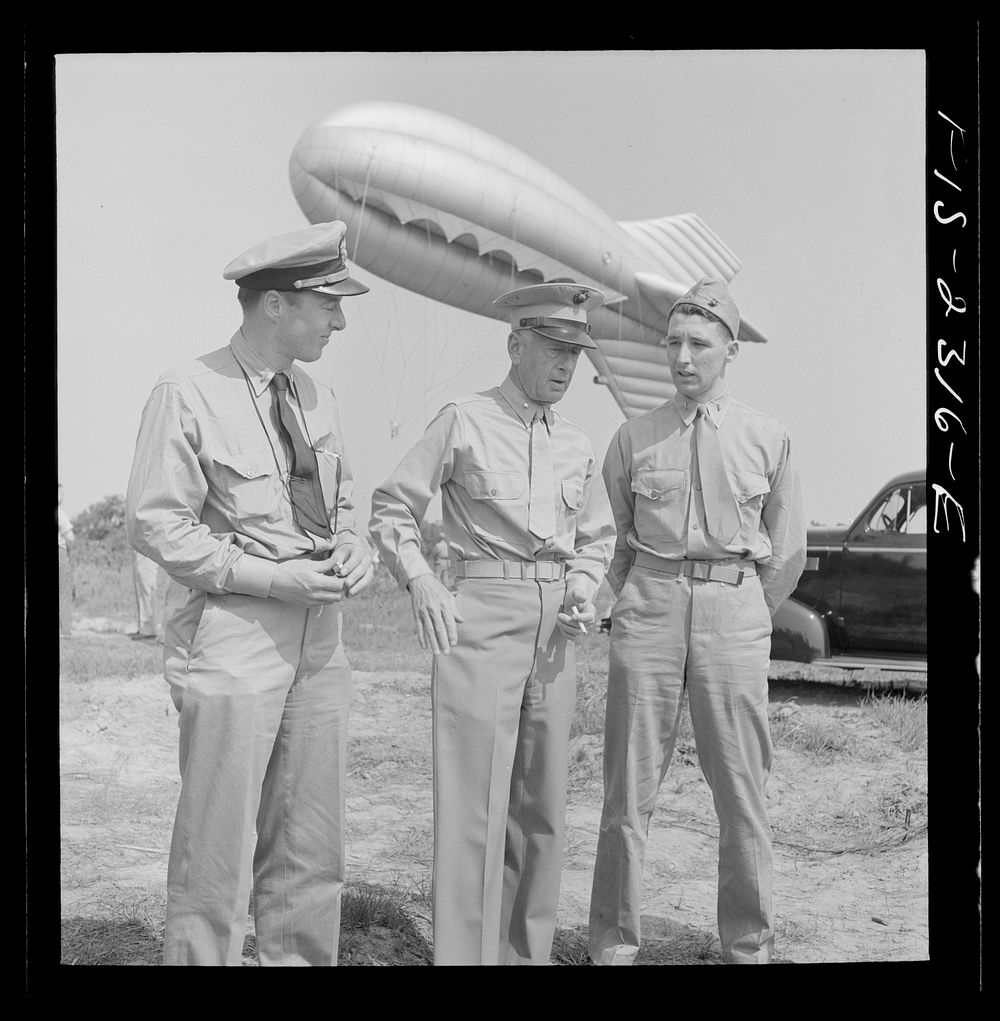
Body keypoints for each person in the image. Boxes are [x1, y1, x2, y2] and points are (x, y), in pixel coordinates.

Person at [126, 220, 374, 967]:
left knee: (311, 845)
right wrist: (271, 576)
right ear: (277, 304)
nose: (339, 319)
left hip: (320, 638)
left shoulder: (315, 394)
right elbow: (155, 522)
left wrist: (355, 543)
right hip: (237, 629)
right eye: (328, 303)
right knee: (217, 848)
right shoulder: (187, 390)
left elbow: (345, 494)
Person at [370, 282, 616, 965]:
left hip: (556, 633)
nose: (567, 365)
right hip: (480, 619)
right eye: (554, 348)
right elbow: (391, 510)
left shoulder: (578, 443)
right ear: (516, 344)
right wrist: (420, 578)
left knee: (541, 811)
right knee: (473, 811)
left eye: (577, 352)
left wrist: (586, 584)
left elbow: (597, 535)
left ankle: (522, 956)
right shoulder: (464, 421)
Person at [588, 277, 806, 966]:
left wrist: (744, 611)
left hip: (733, 609)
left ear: (730, 349)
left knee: (743, 790)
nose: (683, 357)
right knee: (627, 790)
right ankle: (614, 944)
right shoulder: (633, 437)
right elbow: (615, 540)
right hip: (649, 609)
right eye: (673, 342)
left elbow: (789, 548)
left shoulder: (769, 438)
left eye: (699, 344)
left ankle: (748, 945)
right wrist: (605, 604)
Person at [130, 550, 170, 641]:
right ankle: (145, 626)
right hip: (142, 540)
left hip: (147, 540)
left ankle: (148, 628)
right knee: (140, 576)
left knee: (145, 576)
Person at [57, 484, 76, 638]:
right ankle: (66, 630)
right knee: (64, 593)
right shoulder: (60, 514)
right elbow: (69, 537)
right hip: (61, 552)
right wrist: (70, 550)